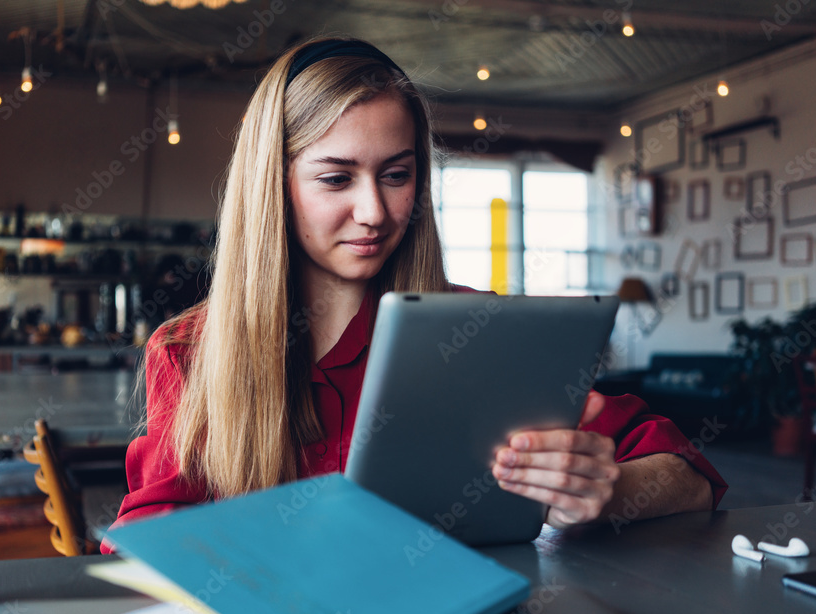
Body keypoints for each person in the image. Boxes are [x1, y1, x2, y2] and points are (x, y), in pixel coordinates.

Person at [102, 38, 726, 552]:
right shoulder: (190, 350)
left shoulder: (476, 327)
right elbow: (145, 536)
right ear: (273, 187)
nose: (374, 211)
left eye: (396, 175)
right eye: (336, 178)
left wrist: (604, 491)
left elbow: (690, 474)